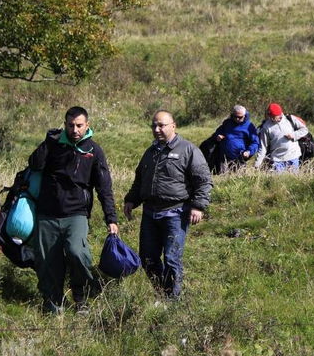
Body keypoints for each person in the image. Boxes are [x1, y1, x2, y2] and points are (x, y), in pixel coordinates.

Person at [28, 106, 119, 314]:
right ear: (65, 125)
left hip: (77, 213)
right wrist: (47, 142)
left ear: (87, 125)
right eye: (70, 125)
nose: (74, 130)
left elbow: (104, 187)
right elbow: (34, 164)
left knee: (78, 253)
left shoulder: (94, 151)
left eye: (79, 125)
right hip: (47, 212)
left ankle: (81, 297)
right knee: (47, 261)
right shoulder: (54, 144)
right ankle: (53, 302)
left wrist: (111, 218)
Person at [124, 110, 212, 299]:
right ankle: (162, 293)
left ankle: (172, 300)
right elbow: (140, 180)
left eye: (161, 125)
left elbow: (204, 181)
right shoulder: (150, 152)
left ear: (173, 126)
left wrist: (198, 206)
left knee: (172, 259)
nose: (157, 129)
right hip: (150, 213)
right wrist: (131, 200)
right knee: (147, 259)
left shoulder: (188, 150)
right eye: (154, 126)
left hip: (176, 213)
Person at [254, 103, 309, 172]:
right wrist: (257, 163)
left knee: (293, 178)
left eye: (280, 115)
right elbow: (263, 147)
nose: (280, 117)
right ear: (270, 116)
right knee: (278, 179)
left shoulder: (290, 119)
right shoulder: (266, 127)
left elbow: (304, 130)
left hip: (293, 156)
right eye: (276, 117)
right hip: (277, 160)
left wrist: (294, 135)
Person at [211, 105, 259, 173]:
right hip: (224, 158)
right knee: (222, 177)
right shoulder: (227, 123)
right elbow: (219, 131)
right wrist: (218, 135)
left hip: (239, 159)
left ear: (244, 116)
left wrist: (249, 151)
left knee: (238, 177)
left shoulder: (249, 126)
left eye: (240, 117)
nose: (237, 119)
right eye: (235, 116)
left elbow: (255, 142)